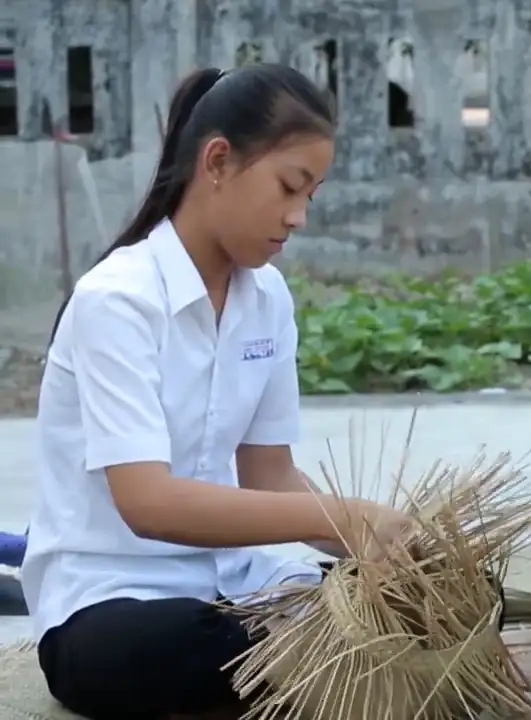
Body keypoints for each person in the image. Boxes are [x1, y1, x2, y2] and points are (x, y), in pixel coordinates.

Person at [22, 64, 415, 720]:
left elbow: (270, 476)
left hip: (237, 588)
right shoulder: (116, 300)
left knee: (413, 607)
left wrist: (384, 548)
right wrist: (342, 516)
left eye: (311, 197)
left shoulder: (267, 300)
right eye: (290, 187)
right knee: (197, 644)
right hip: (111, 603)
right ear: (218, 161)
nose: (298, 217)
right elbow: (148, 503)